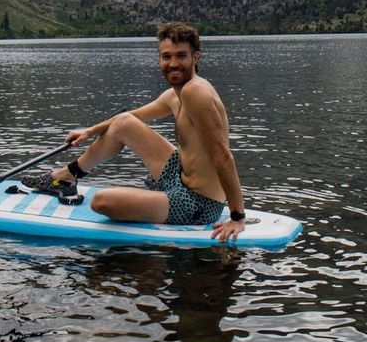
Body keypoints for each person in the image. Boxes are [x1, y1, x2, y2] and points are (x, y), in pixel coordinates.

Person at [23, 22, 248, 242]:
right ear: (159, 58)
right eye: (166, 56)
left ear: (195, 57)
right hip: (180, 177)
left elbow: (223, 156)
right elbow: (133, 116)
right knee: (124, 123)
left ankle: (156, 196)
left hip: (198, 203)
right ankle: (66, 177)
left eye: (181, 56)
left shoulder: (194, 92)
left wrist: (237, 217)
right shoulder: (175, 94)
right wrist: (90, 131)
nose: (173, 63)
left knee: (101, 202)